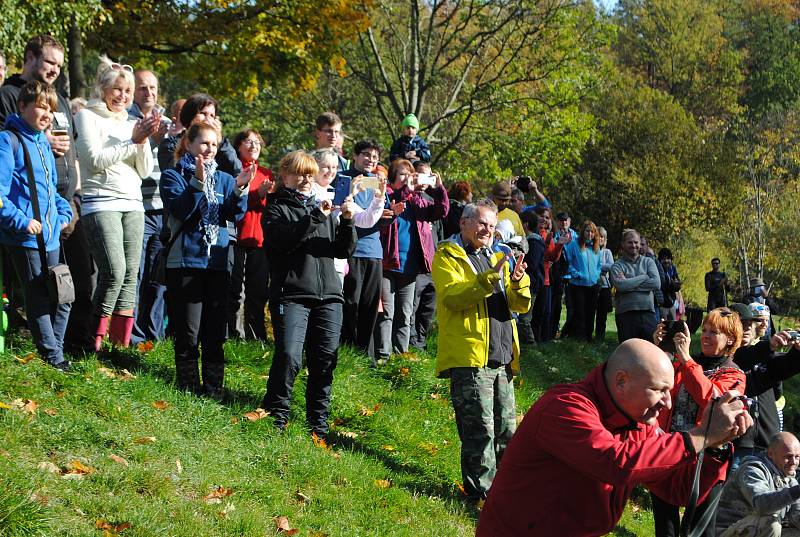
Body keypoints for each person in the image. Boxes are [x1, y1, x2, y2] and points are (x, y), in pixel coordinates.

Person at [476, 338, 754, 537]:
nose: (667, 403)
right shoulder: (564, 406)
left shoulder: (639, 422)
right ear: (621, 381)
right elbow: (615, 464)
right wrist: (698, 436)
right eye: (659, 390)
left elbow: (677, 489)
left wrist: (716, 447)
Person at [431, 199, 531, 504]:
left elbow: (519, 305)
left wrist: (518, 282)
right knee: (479, 432)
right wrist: (489, 278)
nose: (487, 229)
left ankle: (504, 495)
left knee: (507, 433)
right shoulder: (447, 255)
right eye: (481, 223)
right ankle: (478, 497)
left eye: (491, 224)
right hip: (471, 358)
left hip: (502, 357)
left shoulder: (498, 256)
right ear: (463, 223)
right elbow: (453, 298)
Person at [0, 35, 92, 352]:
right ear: (30, 57)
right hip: (26, 225)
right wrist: (20, 219)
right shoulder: (9, 98)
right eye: (49, 62)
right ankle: (48, 352)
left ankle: (66, 346)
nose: (54, 69)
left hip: (57, 214)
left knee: (67, 288)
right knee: (37, 292)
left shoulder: (60, 101)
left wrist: (70, 204)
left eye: (59, 65)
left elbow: (70, 160)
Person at [261, 150, 357, 437]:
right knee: (290, 356)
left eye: (309, 173)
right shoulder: (276, 208)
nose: (305, 179)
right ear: (285, 175)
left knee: (325, 358)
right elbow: (284, 241)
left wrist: (348, 222)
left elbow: (342, 250)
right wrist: (316, 216)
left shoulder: (323, 208)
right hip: (291, 294)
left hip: (329, 294)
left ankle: (318, 424)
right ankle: (277, 416)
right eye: (299, 173)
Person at [159, 122, 251, 397]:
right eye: (203, 143)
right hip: (186, 262)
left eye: (214, 144)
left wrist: (239, 191)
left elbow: (233, 214)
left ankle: (213, 388)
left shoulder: (223, 178)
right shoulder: (172, 176)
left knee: (214, 332)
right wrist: (197, 182)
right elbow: (181, 210)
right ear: (188, 144)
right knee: (188, 331)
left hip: (217, 263)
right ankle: (187, 385)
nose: (209, 149)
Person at [75, 57, 159, 350]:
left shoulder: (132, 122)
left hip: (134, 204)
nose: (122, 96)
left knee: (130, 275)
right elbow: (93, 160)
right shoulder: (87, 116)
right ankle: (92, 342)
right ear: (102, 88)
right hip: (101, 202)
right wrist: (131, 142)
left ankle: (119, 347)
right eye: (117, 89)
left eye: (127, 91)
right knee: (114, 271)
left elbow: (145, 170)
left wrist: (144, 139)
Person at [650, 307, 746, 537]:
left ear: (730, 339)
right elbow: (655, 383)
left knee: (701, 532)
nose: (705, 335)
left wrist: (686, 360)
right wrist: (658, 350)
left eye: (714, 332)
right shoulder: (686, 364)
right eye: (704, 330)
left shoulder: (734, 375)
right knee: (666, 529)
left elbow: (712, 401)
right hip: (671, 451)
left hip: (707, 462)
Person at [0, 81, 73, 370]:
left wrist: (64, 212)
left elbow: (51, 190)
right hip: (25, 238)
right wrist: (21, 221)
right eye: (41, 106)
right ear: (22, 107)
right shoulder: (9, 140)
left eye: (51, 109)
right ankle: (54, 358)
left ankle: (54, 351)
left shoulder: (42, 140)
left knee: (64, 294)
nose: (47, 114)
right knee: (39, 297)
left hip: (52, 235)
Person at [375, 159, 448, 360]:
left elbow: (441, 211)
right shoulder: (388, 195)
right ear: (392, 178)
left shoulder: (419, 200)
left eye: (410, 174)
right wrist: (407, 189)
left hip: (411, 266)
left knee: (405, 314)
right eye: (402, 174)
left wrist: (438, 188)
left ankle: (401, 357)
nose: (407, 178)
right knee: (386, 312)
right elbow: (395, 199)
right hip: (388, 263)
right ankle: (383, 355)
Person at [129, 69, 170, 344]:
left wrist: (167, 140)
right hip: (137, 207)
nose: (149, 93)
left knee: (158, 276)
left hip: (162, 209)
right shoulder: (126, 120)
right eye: (143, 88)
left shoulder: (167, 123)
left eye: (153, 88)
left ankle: (153, 335)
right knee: (137, 272)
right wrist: (150, 141)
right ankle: (130, 335)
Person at [340, 140, 390, 360]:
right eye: (367, 155)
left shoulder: (377, 183)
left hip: (374, 251)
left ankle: (365, 355)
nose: (371, 160)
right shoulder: (344, 178)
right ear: (355, 156)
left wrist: (392, 214)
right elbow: (343, 210)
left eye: (375, 157)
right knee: (351, 302)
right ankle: (347, 350)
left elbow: (379, 217)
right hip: (351, 250)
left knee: (371, 305)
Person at [311, 148, 386, 285]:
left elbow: (366, 220)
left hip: (336, 265)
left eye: (334, 167)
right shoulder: (308, 192)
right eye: (326, 167)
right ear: (314, 166)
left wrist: (379, 199)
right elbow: (322, 211)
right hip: (311, 262)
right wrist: (349, 194)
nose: (331, 171)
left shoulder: (334, 194)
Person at [227, 129, 272, 340]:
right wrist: (257, 195)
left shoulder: (267, 174)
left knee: (258, 292)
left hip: (260, 241)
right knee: (235, 292)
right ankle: (234, 335)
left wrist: (266, 195)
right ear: (238, 146)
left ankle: (256, 337)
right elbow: (236, 202)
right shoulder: (234, 169)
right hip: (237, 238)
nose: (254, 146)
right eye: (248, 141)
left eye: (257, 142)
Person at [716, 432, 800, 537]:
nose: (794, 462)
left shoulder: (790, 480)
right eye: (788, 456)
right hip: (728, 531)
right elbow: (762, 505)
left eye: (797, 457)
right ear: (771, 454)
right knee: (770, 522)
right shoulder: (752, 470)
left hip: (756, 528)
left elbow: (796, 516)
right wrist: (796, 491)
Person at [610, 229, 660, 342]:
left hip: (647, 313)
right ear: (623, 244)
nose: (634, 245)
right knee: (628, 352)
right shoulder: (616, 266)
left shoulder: (648, 262)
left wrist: (629, 283)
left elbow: (656, 283)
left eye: (636, 242)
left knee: (650, 350)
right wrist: (643, 277)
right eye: (630, 242)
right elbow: (621, 286)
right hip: (625, 314)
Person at [563, 220, 602, 341]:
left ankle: (589, 336)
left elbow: (599, 265)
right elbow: (568, 262)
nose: (589, 234)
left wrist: (596, 276)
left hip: (593, 285)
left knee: (591, 312)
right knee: (580, 311)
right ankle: (578, 336)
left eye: (592, 231)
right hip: (578, 284)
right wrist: (577, 274)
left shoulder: (596, 247)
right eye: (587, 231)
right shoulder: (574, 245)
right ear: (582, 232)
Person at [550, 211, 576, 339]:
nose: (564, 222)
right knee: (556, 305)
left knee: (572, 306)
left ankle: (568, 332)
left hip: (572, 275)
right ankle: (554, 330)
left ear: (569, 221)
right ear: (557, 221)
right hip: (558, 275)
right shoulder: (554, 234)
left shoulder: (575, 236)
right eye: (561, 220)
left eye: (566, 220)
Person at [595, 226, 614, 342]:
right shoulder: (591, 250)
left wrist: (597, 267)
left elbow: (611, 265)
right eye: (598, 236)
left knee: (602, 314)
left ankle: (600, 337)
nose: (600, 239)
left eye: (602, 237)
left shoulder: (607, 252)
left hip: (604, 286)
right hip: (591, 285)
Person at [658, 248, 683, 321]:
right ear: (660, 260)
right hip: (662, 304)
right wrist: (672, 284)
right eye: (663, 259)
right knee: (663, 326)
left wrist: (676, 284)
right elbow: (662, 286)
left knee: (673, 325)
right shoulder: (658, 270)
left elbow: (677, 285)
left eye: (668, 258)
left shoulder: (673, 268)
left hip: (672, 302)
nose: (666, 261)